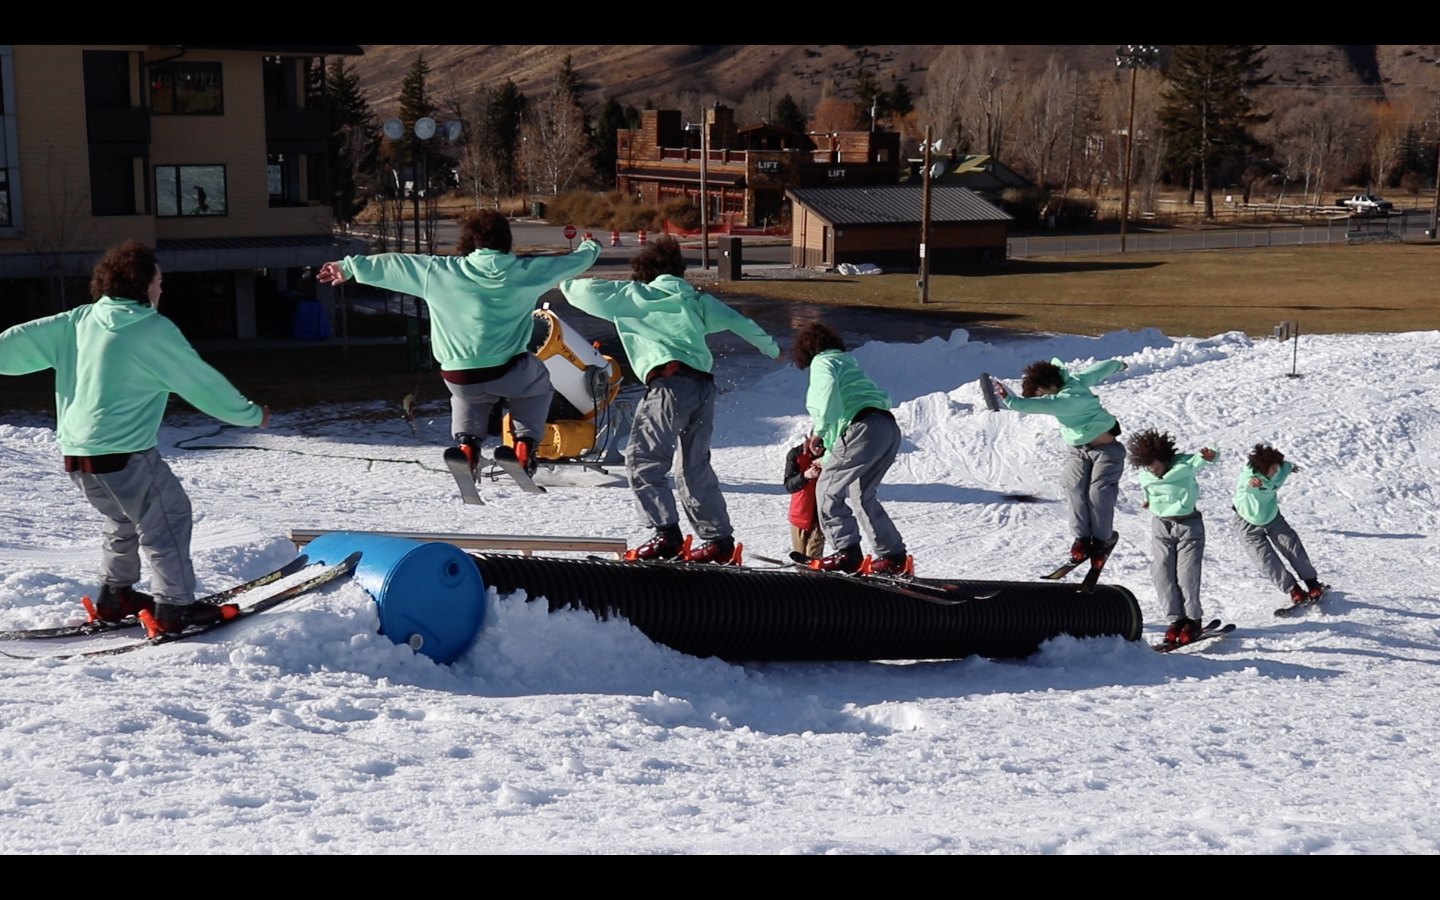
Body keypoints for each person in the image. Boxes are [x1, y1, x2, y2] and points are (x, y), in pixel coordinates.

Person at [0, 241, 270, 633]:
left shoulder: (78, 321)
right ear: (144, 286)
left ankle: (116, 596)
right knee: (168, 517)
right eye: (158, 281)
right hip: (124, 454)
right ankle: (175, 607)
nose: (161, 289)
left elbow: (9, 348)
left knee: (123, 518)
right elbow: (200, 382)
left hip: (78, 456)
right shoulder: (152, 329)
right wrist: (250, 413)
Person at [319, 210, 599, 479]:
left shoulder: (439, 272)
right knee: (538, 384)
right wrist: (591, 247)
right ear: (507, 241)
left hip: (458, 376)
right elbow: (571, 263)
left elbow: (397, 265)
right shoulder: (528, 272)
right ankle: (525, 445)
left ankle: (468, 446)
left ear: (470, 241)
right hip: (508, 371)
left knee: (470, 396)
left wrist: (348, 268)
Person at [559, 236, 782, 563]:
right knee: (694, 466)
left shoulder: (633, 295)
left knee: (643, 459)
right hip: (703, 389)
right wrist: (773, 350)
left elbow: (577, 291)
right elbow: (740, 322)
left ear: (644, 273)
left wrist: (572, 268)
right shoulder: (697, 301)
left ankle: (666, 536)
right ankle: (719, 541)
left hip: (668, 387)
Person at [792, 323, 907, 574]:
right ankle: (893, 556)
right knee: (862, 494)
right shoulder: (849, 365)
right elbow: (844, 429)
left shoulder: (822, 362)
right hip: (886, 427)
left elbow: (828, 397)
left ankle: (846, 552)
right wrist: (827, 458)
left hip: (862, 427)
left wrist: (819, 431)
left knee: (827, 490)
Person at [992, 357, 1127, 566]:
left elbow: (1037, 405)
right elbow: (1097, 370)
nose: (1042, 396)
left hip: (1106, 451)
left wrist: (1010, 400)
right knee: (1074, 487)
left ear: (1047, 386)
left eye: (1041, 392)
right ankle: (1082, 539)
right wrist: (1117, 365)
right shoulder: (1074, 381)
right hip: (1078, 451)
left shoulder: (1067, 399)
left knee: (1098, 492)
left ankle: (1103, 540)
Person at [1127, 428, 1218, 645]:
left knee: (1186, 574)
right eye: (1149, 468)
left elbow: (1205, 459)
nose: (1154, 472)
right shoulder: (1146, 474)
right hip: (1161, 526)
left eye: (1156, 467)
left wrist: (1211, 455)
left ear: (1165, 459)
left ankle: (1193, 620)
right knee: (1161, 572)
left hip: (1188, 525)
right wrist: (1148, 500)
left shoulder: (1183, 466)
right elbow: (1148, 487)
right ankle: (1176, 620)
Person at [1233, 443, 1326, 605]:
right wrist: (1251, 482)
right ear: (1263, 469)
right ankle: (1294, 590)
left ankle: (1312, 583)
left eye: (1277, 468)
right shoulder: (1250, 476)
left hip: (1272, 517)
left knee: (1292, 547)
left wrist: (1290, 467)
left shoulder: (1280, 469)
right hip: (1246, 523)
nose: (1277, 471)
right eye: (1273, 469)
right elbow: (1244, 482)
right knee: (1265, 559)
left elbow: (1285, 466)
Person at [784, 440, 824, 559]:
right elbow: (789, 485)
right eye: (816, 445)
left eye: (822, 445)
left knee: (813, 557)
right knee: (799, 556)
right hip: (800, 513)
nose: (818, 449)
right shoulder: (797, 454)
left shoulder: (830, 456)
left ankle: (814, 570)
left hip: (821, 514)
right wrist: (805, 476)